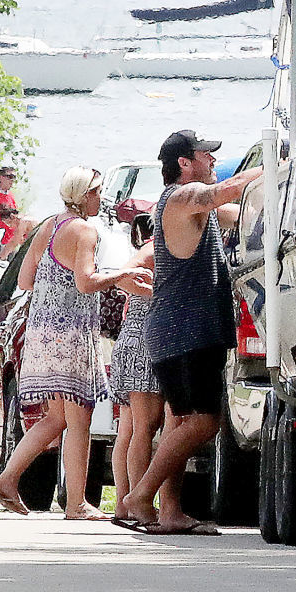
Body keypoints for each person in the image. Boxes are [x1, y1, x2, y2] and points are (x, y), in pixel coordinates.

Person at [0, 166, 153, 519]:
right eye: (95, 192)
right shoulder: (84, 231)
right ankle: (76, 503)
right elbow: (86, 282)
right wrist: (123, 273)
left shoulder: (48, 226)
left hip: (42, 332)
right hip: (71, 333)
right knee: (80, 417)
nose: (99, 198)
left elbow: (26, 279)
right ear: (81, 195)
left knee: (56, 418)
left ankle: (7, 479)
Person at [116, 130, 261, 533]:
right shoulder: (181, 199)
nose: (213, 161)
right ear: (185, 163)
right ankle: (140, 495)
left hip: (179, 331)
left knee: (181, 424)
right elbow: (225, 191)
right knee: (204, 423)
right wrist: (280, 162)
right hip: (186, 331)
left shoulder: (196, 209)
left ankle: (170, 512)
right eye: (206, 155)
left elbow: (238, 209)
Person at [108, 214, 163, 516]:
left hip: (132, 339)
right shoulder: (154, 250)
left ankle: (123, 502)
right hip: (143, 340)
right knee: (144, 428)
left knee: (129, 430)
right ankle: (137, 503)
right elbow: (124, 275)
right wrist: (159, 294)